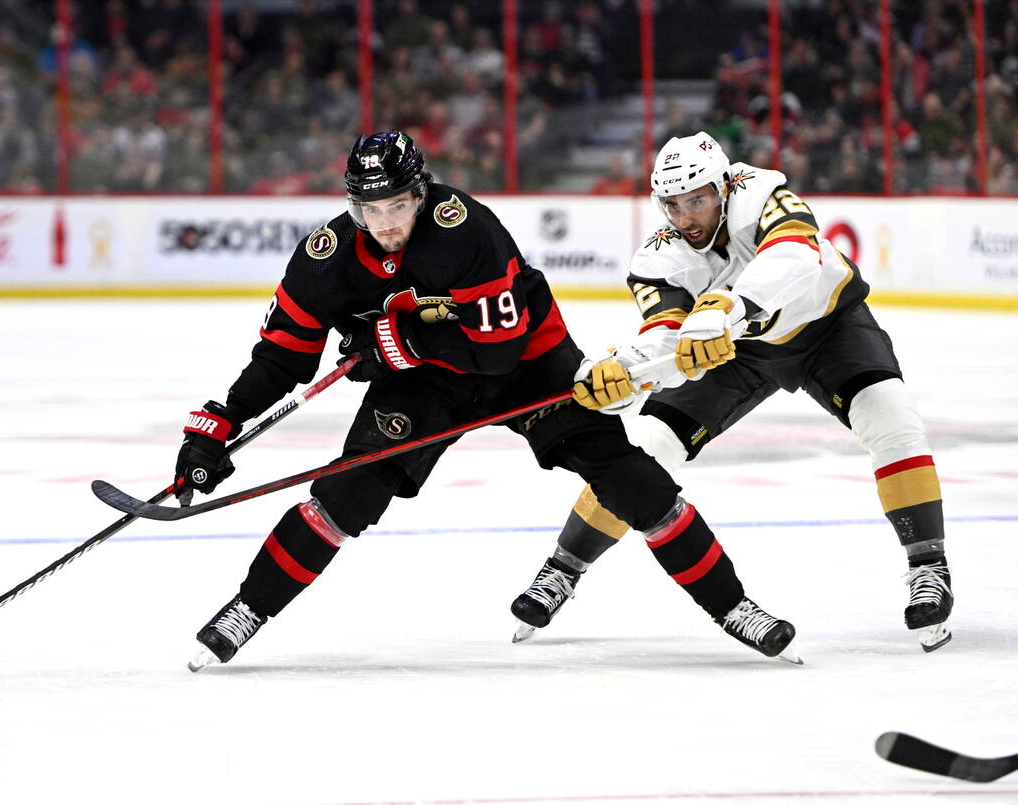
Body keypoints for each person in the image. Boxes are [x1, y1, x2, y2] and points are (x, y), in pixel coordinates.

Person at [174, 130, 800, 669]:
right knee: (347, 492)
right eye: (370, 208)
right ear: (351, 206)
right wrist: (219, 422)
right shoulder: (326, 258)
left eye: (397, 204)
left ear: (420, 194)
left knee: (630, 479)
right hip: (423, 382)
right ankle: (245, 610)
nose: (385, 222)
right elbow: (283, 353)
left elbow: (496, 353)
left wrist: (399, 339)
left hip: (528, 363)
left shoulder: (463, 227)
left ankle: (732, 605)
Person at [510, 131, 953, 652]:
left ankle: (929, 566)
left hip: (828, 326)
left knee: (891, 417)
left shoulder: (763, 193)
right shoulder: (657, 256)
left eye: (697, 200)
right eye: (672, 205)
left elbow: (794, 255)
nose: (686, 217)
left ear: (724, 186)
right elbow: (664, 333)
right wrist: (626, 373)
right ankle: (563, 569)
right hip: (736, 350)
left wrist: (729, 306)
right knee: (648, 446)